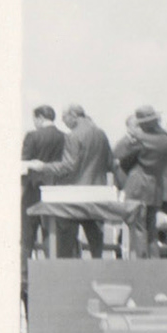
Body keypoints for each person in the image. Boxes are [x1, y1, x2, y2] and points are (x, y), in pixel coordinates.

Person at [45, 104, 115, 257]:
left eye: (65, 119)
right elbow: (110, 162)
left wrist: (45, 167)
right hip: (97, 193)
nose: (64, 123)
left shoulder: (73, 135)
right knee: (96, 243)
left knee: (66, 242)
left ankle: (68, 275)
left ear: (73, 116)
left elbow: (68, 166)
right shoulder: (101, 133)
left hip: (75, 195)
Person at [112, 106, 167, 257]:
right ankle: (153, 261)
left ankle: (140, 262)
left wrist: (130, 135)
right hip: (157, 186)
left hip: (138, 185)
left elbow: (118, 152)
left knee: (138, 228)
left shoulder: (140, 139)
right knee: (151, 230)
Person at [21, 104, 66, 269]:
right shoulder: (64, 137)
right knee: (51, 233)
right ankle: (52, 271)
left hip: (33, 188)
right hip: (55, 189)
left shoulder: (32, 136)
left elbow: (24, 162)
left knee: (27, 235)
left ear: (40, 117)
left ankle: (25, 276)